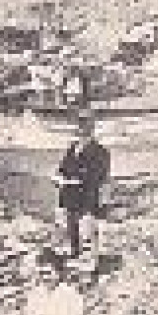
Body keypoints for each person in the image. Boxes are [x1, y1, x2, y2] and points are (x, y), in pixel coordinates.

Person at [54, 111, 111, 269]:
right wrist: (58, 178)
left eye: (85, 125)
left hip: (87, 197)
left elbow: (96, 177)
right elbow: (62, 168)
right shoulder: (72, 149)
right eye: (80, 124)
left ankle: (90, 261)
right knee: (71, 225)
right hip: (69, 196)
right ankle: (75, 253)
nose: (81, 128)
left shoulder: (101, 152)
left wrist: (73, 180)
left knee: (88, 228)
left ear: (92, 128)